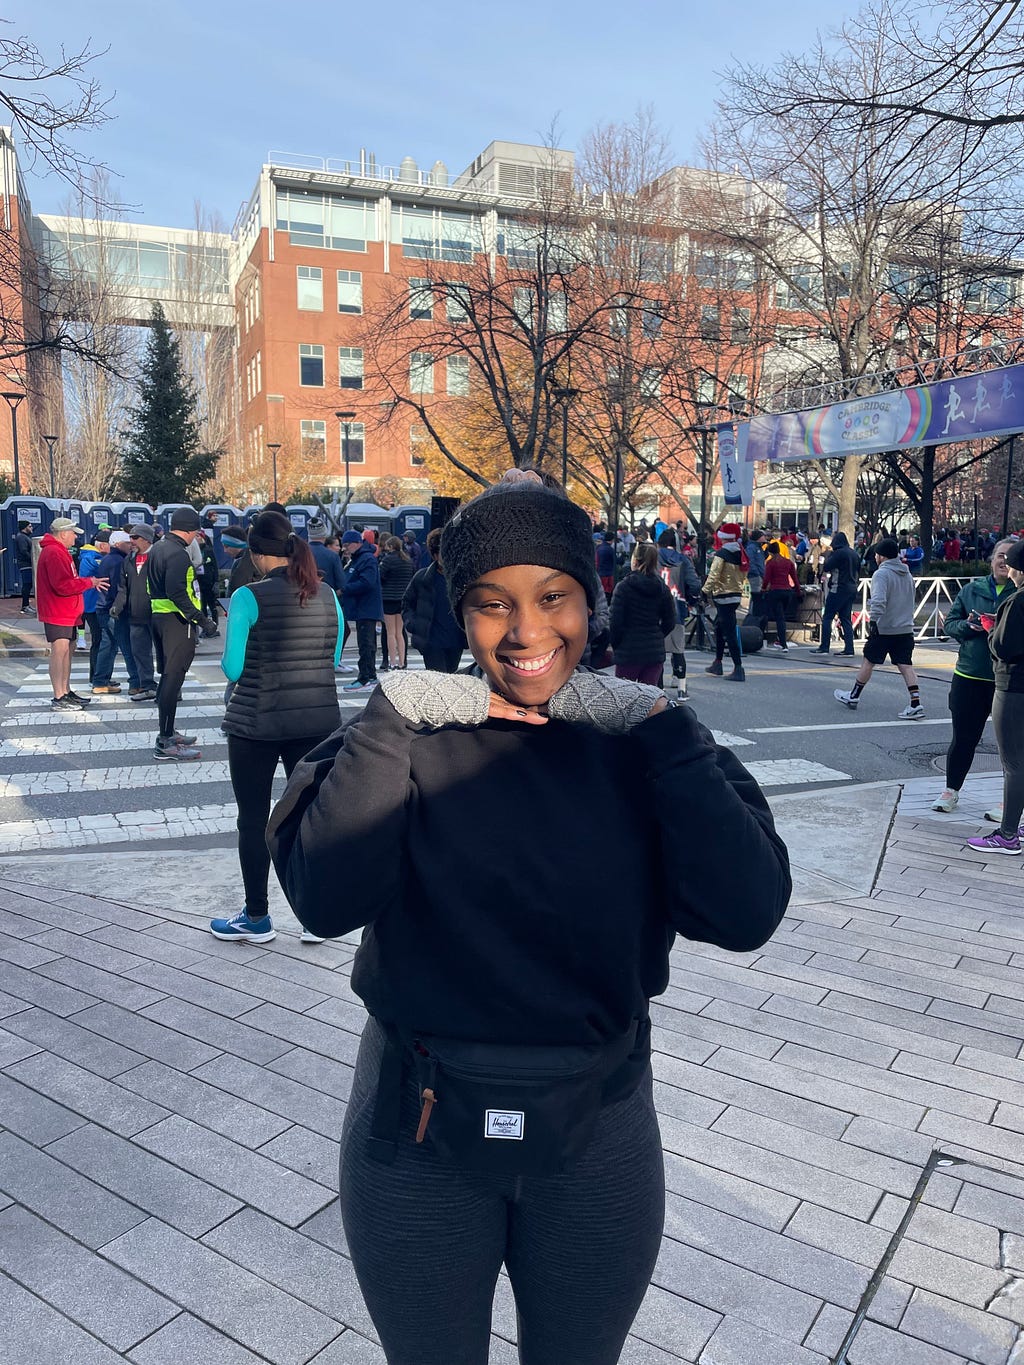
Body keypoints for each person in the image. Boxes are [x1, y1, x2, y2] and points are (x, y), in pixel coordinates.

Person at [266, 475, 791, 1365]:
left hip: (598, 1130)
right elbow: (324, 895)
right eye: (491, 603)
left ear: (591, 599)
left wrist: (661, 729)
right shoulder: (409, 737)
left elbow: (745, 910)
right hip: (417, 1132)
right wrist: (391, 721)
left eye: (554, 597)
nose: (526, 631)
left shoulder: (646, 749)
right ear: (460, 611)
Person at [210, 511, 343, 942]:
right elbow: (336, 657)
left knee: (252, 819)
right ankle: (315, 919)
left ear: (254, 554)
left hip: (256, 723)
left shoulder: (250, 596)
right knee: (310, 816)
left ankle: (256, 917)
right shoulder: (327, 595)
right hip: (317, 721)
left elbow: (232, 667)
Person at [931, 539, 1015, 813]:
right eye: (1000, 556)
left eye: (1010, 557)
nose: (1004, 561)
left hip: (1008, 679)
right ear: (991, 560)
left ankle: (1009, 803)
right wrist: (968, 625)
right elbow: (951, 623)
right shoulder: (972, 589)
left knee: (1011, 745)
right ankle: (950, 791)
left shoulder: (1020, 592)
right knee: (963, 738)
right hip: (969, 675)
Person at [967, 539, 1024, 855]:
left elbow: (1003, 647)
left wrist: (990, 628)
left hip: (1013, 687)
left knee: (1013, 763)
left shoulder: (1017, 602)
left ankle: (1007, 835)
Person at [147, 506, 217, 760]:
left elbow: (151, 585)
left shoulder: (157, 548)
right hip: (178, 622)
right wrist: (202, 620)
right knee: (172, 679)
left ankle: (168, 731)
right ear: (190, 530)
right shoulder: (178, 554)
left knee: (168, 677)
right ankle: (165, 741)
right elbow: (178, 592)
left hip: (159, 618)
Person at [835, 538, 923, 717]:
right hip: (905, 627)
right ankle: (915, 703)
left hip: (884, 627)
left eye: (876, 554)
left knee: (869, 660)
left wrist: (873, 621)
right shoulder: (907, 574)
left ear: (881, 556)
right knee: (906, 664)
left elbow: (879, 601)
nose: (875, 557)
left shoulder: (881, 574)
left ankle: (854, 695)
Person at [35, 517, 108, 711]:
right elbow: (62, 585)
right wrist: (88, 582)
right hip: (58, 609)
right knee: (59, 651)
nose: (76, 537)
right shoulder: (54, 553)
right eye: (73, 533)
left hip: (67, 610)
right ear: (63, 533)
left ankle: (65, 691)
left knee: (68, 649)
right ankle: (59, 696)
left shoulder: (59, 552)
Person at [609, 542, 676, 686]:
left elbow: (615, 621)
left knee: (625, 696)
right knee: (649, 698)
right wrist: (657, 635)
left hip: (628, 649)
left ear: (635, 561)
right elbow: (670, 621)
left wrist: (617, 644)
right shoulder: (662, 588)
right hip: (653, 650)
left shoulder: (624, 587)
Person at [401, 526, 467, 672]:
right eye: (444, 553)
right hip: (431, 641)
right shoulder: (422, 578)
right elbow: (406, 603)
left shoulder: (461, 578)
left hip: (455, 640)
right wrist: (413, 624)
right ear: (435, 555)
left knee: (451, 678)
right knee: (438, 681)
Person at [111, 524, 158, 700]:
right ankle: (147, 685)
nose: (131, 541)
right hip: (136, 615)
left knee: (164, 653)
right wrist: (117, 606)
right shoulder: (128, 560)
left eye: (135, 538)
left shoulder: (158, 556)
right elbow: (123, 588)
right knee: (140, 652)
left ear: (146, 539)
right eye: (130, 538)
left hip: (158, 614)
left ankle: (172, 688)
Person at [92, 531, 138, 694]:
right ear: (118, 544)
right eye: (127, 542)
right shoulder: (118, 561)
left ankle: (100, 681)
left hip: (104, 607)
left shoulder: (108, 559)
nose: (131, 544)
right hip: (113, 609)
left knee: (109, 645)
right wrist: (121, 607)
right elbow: (119, 588)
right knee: (126, 646)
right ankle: (136, 682)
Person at [703, 522, 747, 682]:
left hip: (723, 596)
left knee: (728, 631)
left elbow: (713, 575)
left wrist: (704, 591)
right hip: (735, 594)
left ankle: (738, 667)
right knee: (719, 627)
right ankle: (718, 662)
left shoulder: (721, 554)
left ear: (724, 537)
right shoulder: (741, 552)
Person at [657, 529, 699, 693]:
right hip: (677, 606)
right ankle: (681, 688)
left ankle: (658, 688)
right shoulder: (683, 560)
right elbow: (694, 585)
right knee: (678, 649)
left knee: (657, 651)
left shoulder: (653, 557)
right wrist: (691, 601)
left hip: (655, 608)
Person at [341, 529, 384, 690]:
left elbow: (367, 582)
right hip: (363, 608)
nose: (345, 548)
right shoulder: (358, 558)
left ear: (357, 543)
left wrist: (345, 589)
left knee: (366, 644)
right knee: (367, 644)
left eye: (347, 545)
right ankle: (370, 676)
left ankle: (366, 677)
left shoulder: (366, 559)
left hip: (367, 607)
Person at [812, 531, 860, 656]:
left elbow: (827, 566)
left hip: (838, 588)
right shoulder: (854, 553)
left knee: (828, 616)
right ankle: (849, 648)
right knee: (846, 618)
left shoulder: (838, 554)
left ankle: (824, 647)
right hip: (852, 587)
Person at [379, 536, 416, 670]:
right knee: (400, 633)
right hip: (402, 599)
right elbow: (412, 577)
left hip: (388, 599)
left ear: (390, 547)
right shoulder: (407, 560)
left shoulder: (387, 560)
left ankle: (392, 662)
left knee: (390, 633)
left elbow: (380, 576)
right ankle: (402, 662)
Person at [78, 530, 109, 684]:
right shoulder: (94, 559)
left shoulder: (89, 556)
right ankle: (97, 676)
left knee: (99, 640)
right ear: (103, 545)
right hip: (93, 605)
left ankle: (96, 675)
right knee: (100, 641)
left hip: (91, 604)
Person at [759, 540, 800, 652]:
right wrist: (798, 591)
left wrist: (763, 588)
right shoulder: (788, 562)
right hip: (787, 592)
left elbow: (767, 578)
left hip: (775, 591)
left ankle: (760, 639)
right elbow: (795, 578)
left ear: (771, 552)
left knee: (768, 615)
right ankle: (782, 642)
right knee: (781, 617)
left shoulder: (771, 563)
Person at [308, 518, 346, 596]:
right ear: (324, 533)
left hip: (303, 600)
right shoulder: (333, 556)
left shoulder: (299, 554)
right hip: (326, 600)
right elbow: (342, 584)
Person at [196, 530, 222, 634]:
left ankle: (215, 626)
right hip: (199, 582)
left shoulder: (208, 550)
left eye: (197, 536)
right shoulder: (195, 550)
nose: (195, 538)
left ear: (202, 538)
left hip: (209, 583)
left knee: (212, 606)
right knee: (202, 607)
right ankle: (205, 626)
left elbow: (215, 567)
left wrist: (216, 581)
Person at [15, 520, 34, 614]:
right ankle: (25, 606)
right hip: (25, 565)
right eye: (30, 526)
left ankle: (26, 605)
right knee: (27, 585)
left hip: (27, 564)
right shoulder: (22, 537)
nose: (31, 528)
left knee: (28, 585)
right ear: (25, 527)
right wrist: (32, 559)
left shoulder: (24, 537)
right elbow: (23, 551)